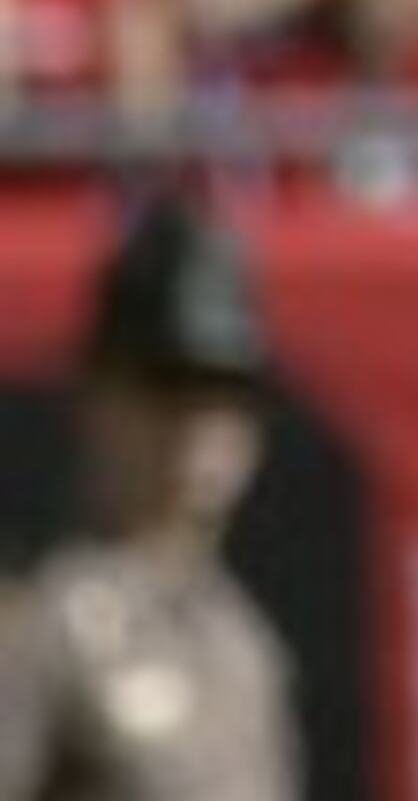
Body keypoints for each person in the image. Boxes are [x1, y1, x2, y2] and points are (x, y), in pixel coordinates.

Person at [0, 194, 300, 801]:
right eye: (167, 386)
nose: (197, 422)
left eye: (225, 390)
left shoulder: (244, 645)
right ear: (101, 397)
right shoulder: (40, 624)